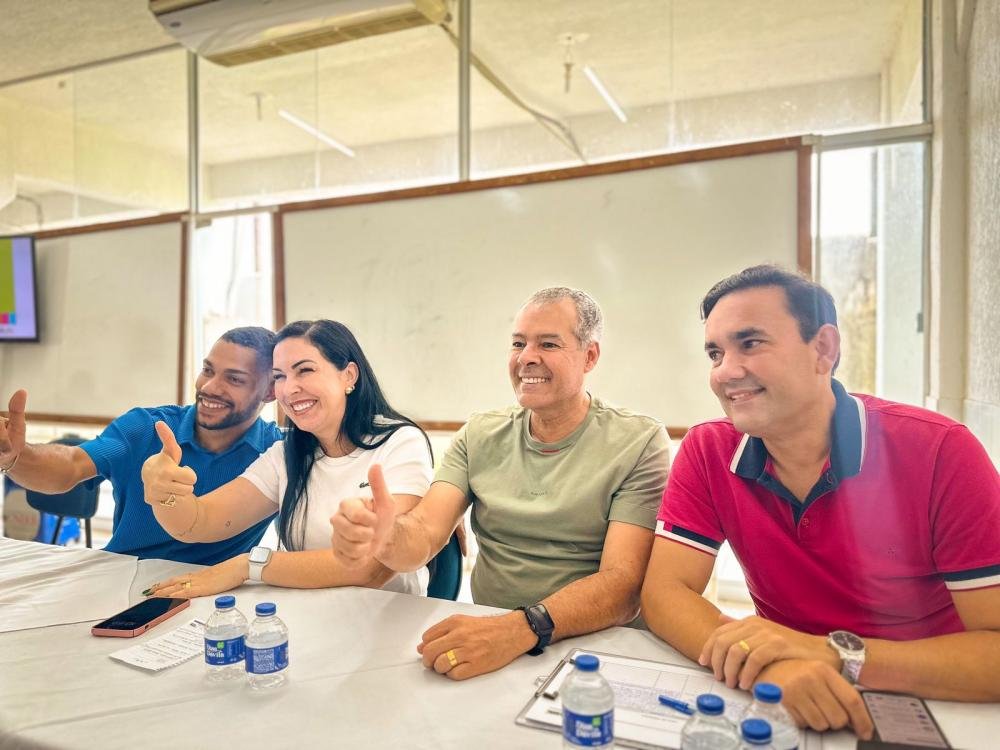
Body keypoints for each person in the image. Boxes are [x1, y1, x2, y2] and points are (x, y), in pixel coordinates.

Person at [641, 265, 1000, 739]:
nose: (725, 371)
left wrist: (834, 654)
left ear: (823, 349)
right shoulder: (709, 449)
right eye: (715, 352)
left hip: (928, 699)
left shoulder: (940, 451)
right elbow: (665, 593)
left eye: (751, 343)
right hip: (789, 697)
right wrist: (765, 667)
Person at [332, 287, 671, 680]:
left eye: (548, 343)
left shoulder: (638, 441)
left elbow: (623, 584)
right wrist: (386, 536)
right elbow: (424, 531)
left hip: (596, 648)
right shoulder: (479, 433)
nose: (527, 357)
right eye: (517, 343)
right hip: (490, 636)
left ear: (590, 356)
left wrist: (520, 629)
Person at [142, 319, 434, 598]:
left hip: (390, 622)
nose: (289, 388)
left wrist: (248, 566)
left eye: (304, 370)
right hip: (311, 615)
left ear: (349, 375)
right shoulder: (286, 453)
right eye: (279, 376)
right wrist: (166, 495)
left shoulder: (400, 442)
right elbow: (200, 522)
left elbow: (371, 569)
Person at [0, 327, 281, 564]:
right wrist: (16, 456)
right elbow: (70, 465)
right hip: (123, 578)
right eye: (208, 370)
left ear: (270, 391)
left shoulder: (278, 452)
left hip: (215, 595)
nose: (208, 387)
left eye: (234, 379)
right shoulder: (144, 427)